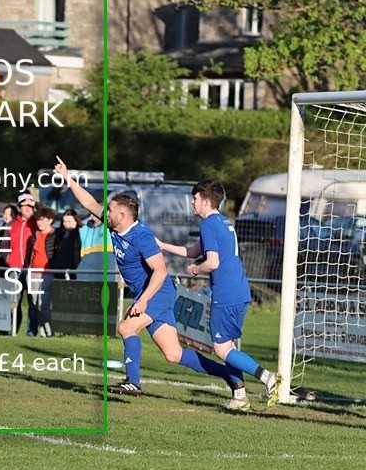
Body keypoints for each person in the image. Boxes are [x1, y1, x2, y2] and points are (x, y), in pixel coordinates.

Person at [54, 156, 240, 399]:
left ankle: (133, 381)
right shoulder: (115, 225)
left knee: (126, 327)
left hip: (158, 291)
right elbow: (89, 202)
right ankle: (229, 375)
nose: (105, 213)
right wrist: (68, 178)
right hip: (153, 293)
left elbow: (161, 271)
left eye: (109, 210)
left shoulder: (141, 236)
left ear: (122, 215)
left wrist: (143, 300)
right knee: (174, 354)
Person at [157, 180, 280, 410]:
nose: (192, 202)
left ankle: (267, 377)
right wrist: (163, 245)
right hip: (239, 290)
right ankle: (240, 396)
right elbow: (193, 251)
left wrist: (196, 269)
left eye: (194, 199)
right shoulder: (222, 221)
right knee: (228, 347)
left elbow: (211, 262)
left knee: (221, 348)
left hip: (226, 293)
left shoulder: (208, 225)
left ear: (204, 201)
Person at [27, 205, 59, 337]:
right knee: (34, 303)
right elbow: (30, 253)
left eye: (43, 219)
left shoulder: (55, 235)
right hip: (33, 273)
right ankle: (42, 331)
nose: (40, 222)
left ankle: (49, 330)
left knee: (43, 304)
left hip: (47, 273)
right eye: (38, 220)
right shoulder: (34, 235)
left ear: (50, 220)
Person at [7, 194, 36, 335]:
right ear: (19, 207)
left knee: (33, 303)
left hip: (31, 269)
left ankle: (31, 332)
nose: (28, 208)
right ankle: (11, 331)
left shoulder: (36, 222)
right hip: (14, 268)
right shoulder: (12, 224)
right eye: (25, 205)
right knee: (14, 302)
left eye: (31, 205)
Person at [51, 209, 83, 280]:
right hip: (59, 271)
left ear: (76, 221)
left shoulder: (80, 234)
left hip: (74, 272)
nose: (66, 224)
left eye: (69, 221)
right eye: (64, 221)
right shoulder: (59, 234)